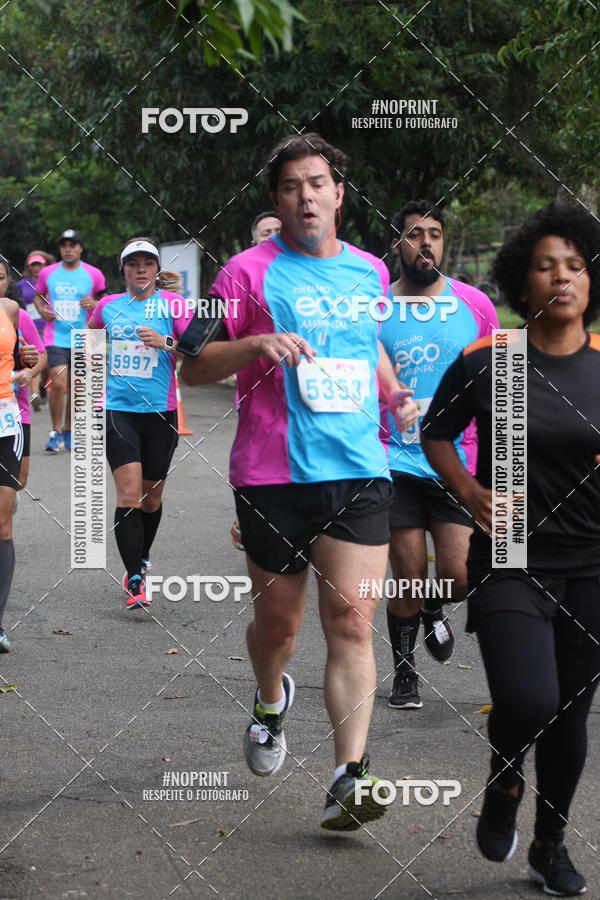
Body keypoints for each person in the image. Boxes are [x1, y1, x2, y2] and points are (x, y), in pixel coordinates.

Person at [180, 133, 418, 831]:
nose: (306, 196)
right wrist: (254, 345)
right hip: (271, 473)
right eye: (291, 187)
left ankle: (349, 774)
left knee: (351, 620)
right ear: (276, 201)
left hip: (358, 468)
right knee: (277, 627)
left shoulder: (370, 272)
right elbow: (193, 367)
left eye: (317, 184)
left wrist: (396, 393)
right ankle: (269, 697)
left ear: (339, 194)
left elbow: (364, 345)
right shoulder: (244, 275)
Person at [421, 201, 600, 897]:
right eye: (545, 267)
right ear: (521, 285)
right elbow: (436, 432)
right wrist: (468, 492)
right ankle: (504, 776)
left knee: (571, 717)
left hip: (591, 565)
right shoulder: (490, 360)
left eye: (576, 266)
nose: (561, 277)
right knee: (528, 699)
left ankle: (549, 846)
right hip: (511, 558)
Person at [379, 200, 498, 710]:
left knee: (460, 576)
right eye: (414, 234)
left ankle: (434, 604)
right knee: (406, 571)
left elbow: (504, 385)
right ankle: (405, 674)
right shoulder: (376, 307)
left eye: (434, 234)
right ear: (398, 244)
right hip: (393, 461)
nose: (425, 242)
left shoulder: (476, 306)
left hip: (458, 464)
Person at [88, 237, 194, 609]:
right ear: (123, 272)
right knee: (129, 494)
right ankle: (135, 578)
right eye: (133, 264)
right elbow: (89, 342)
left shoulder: (173, 305)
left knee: (151, 499)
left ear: (156, 270)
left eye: (147, 263)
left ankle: (141, 558)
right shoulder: (108, 307)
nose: (141, 270)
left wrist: (165, 341)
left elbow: (196, 348)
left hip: (160, 413)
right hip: (119, 409)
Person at [230, 211, 283, 552]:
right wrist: (255, 345)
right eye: (266, 232)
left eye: (279, 230)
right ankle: (250, 516)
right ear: (254, 242)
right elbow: (207, 352)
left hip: (313, 399)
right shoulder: (243, 277)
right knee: (264, 463)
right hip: (259, 400)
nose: (273, 236)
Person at [34, 230, 106, 452]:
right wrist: (42, 311)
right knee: (58, 382)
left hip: (84, 337)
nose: (68, 249)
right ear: (60, 249)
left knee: (78, 388)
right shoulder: (48, 273)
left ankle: (69, 430)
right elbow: (38, 295)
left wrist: (94, 303)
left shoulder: (94, 274)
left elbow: (105, 299)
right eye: (64, 245)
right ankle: (55, 432)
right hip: (55, 336)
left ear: (80, 249)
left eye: (72, 245)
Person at [0, 288, 39, 651]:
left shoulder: (10, 310)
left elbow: (29, 356)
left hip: (4, 423)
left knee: (2, 522)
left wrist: (26, 359)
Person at [17, 251, 55, 411]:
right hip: (28, 326)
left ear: (45, 265)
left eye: (39, 264)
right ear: (29, 267)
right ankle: (34, 395)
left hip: (47, 326)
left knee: (46, 364)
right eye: (33, 264)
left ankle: (43, 388)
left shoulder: (51, 282)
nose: (36, 268)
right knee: (34, 357)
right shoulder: (21, 284)